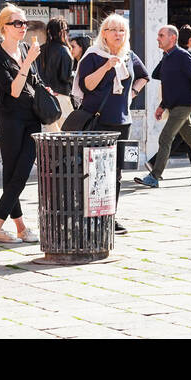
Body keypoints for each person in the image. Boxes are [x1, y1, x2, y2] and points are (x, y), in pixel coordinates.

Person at [0, 4, 52, 244]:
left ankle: (18, 228)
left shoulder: (25, 49)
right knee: (15, 174)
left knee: (20, 173)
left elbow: (33, 80)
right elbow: (13, 91)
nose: (23, 27)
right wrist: (27, 62)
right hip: (10, 119)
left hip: (32, 116)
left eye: (24, 23)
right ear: (4, 27)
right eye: (17, 23)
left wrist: (45, 88)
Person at [74, 14, 148, 234]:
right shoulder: (93, 55)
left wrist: (132, 93)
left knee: (115, 173)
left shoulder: (129, 56)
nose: (118, 34)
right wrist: (107, 66)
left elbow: (144, 76)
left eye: (122, 30)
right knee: (94, 171)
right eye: (113, 30)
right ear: (103, 34)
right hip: (97, 120)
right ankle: (91, 215)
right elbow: (86, 85)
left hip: (122, 121)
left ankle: (110, 216)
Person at [135, 25, 191, 188]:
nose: (158, 38)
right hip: (173, 105)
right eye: (158, 35)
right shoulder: (166, 57)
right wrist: (162, 106)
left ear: (173, 38)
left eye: (161, 35)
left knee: (165, 137)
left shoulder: (183, 56)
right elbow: (169, 86)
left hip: (184, 106)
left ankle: (154, 176)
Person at [40, 17, 75, 131]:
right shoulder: (63, 50)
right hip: (61, 97)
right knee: (68, 135)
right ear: (62, 32)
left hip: (45, 97)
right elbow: (65, 77)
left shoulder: (41, 49)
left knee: (51, 135)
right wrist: (75, 75)